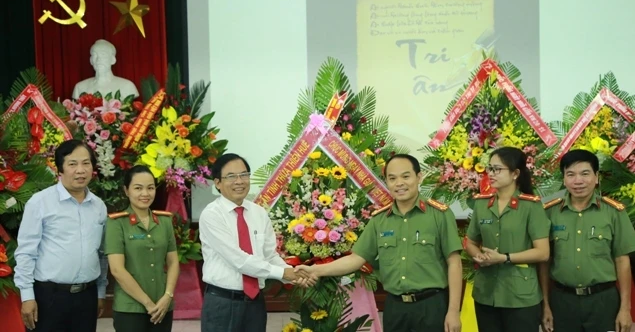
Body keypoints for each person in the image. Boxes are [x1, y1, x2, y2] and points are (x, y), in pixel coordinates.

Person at [295, 153, 463, 332]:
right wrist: (315, 270)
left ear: (418, 177)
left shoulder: (439, 215)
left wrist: (453, 311)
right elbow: (356, 259)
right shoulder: (379, 220)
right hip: (395, 308)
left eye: (406, 176)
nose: (399, 183)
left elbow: (454, 263)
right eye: (392, 178)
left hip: (432, 306)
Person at [198, 153, 311, 332]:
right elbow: (239, 260)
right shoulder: (212, 215)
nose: (239, 181)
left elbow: (270, 255)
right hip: (223, 303)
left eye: (244, 175)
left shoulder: (258, 213)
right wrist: (283, 272)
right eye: (231, 176)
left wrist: (293, 275)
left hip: (255, 302)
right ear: (217, 183)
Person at [14, 139, 108, 331]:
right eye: (72, 164)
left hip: (87, 296)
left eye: (86, 163)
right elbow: (26, 252)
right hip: (49, 297)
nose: (80, 170)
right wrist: (27, 296)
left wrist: (100, 292)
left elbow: (101, 254)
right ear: (60, 170)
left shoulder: (99, 206)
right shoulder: (40, 202)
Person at [539, 149, 635, 332]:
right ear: (564, 179)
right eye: (571, 174)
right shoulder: (549, 213)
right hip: (562, 301)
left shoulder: (614, 212)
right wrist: (545, 305)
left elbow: (622, 261)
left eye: (585, 173)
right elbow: (544, 262)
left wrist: (625, 308)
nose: (578, 181)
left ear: (596, 177)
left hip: (603, 301)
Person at [464, 146, 551, 332]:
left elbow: (543, 253)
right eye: (490, 168)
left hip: (520, 295)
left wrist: (505, 258)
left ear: (515, 173)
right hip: (486, 293)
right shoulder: (481, 204)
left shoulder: (531, 206)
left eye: (498, 169)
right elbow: (470, 241)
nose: (491, 174)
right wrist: (478, 255)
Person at [104, 165, 180, 332]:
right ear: (126, 190)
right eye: (138, 188)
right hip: (130, 308)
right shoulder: (117, 223)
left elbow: (173, 262)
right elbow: (117, 270)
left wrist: (167, 296)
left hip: (162, 305)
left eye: (150, 188)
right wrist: (148, 303)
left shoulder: (165, 221)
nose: (145, 194)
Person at [72, 39, 139, 100]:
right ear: (91, 60)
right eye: (94, 55)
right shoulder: (80, 87)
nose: (98, 59)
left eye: (103, 54)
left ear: (113, 60)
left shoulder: (127, 86)